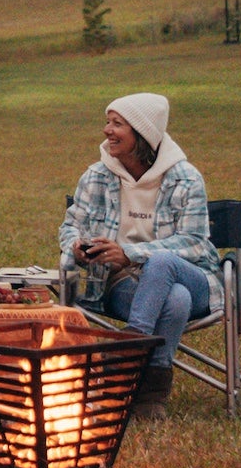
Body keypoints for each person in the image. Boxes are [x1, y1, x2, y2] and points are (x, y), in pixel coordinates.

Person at [59, 92, 220, 421]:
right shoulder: (96, 176)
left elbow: (194, 244)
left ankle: (126, 356)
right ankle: (150, 396)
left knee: (162, 266)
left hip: (194, 278)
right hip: (124, 285)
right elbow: (69, 227)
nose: (107, 130)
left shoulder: (186, 178)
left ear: (142, 134)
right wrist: (76, 246)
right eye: (108, 121)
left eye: (117, 124)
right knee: (174, 299)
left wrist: (130, 253)